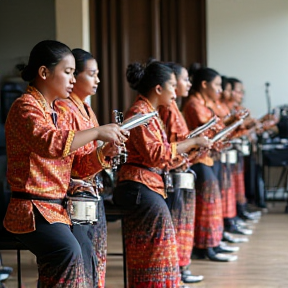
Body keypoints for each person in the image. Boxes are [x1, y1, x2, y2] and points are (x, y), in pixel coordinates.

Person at [3, 40, 128, 287]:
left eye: (74, 73)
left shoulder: (54, 112)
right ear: (44, 72)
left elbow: (78, 167)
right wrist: (97, 133)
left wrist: (104, 154)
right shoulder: (24, 107)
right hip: (31, 209)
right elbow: (49, 143)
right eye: (68, 72)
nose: (72, 80)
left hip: (57, 208)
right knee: (69, 252)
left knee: (83, 253)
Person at [113, 60, 207, 288]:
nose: (175, 92)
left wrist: (193, 150)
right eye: (172, 86)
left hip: (149, 185)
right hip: (139, 186)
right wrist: (191, 142)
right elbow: (156, 154)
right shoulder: (139, 113)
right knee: (153, 252)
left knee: (156, 251)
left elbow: (164, 158)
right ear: (158, 88)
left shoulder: (149, 113)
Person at [55, 48, 118, 287]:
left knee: (96, 256)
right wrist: (101, 153)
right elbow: (74, 166)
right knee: (82, 259)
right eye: (92, 74)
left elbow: (92, 156)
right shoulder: (63, 109)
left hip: (93, 192)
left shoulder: (86, 108)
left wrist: (107, 152)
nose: (98, 80)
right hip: (75, 196)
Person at [158, 62, 208, 283]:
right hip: (169, 173)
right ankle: (177, 269)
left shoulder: (174, 107)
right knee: (176, 225)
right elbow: (166, 147)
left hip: (179, 168)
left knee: (183, 224)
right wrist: (192, 144)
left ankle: (182, 267)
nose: (188, 83)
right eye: (183, 79)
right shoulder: (166, 108)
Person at [182, 67, 238, 262]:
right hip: (197, 160)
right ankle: (204, 246)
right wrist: (229, 122)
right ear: (204, 85)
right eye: (217, 85)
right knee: (206, 205)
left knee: (212, 203)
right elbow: (208, 128)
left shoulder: (204, 105)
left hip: (206, 158)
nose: (220, 90)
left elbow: (215, 127)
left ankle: (212, 243)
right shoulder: (193, 104)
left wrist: (232, 122)